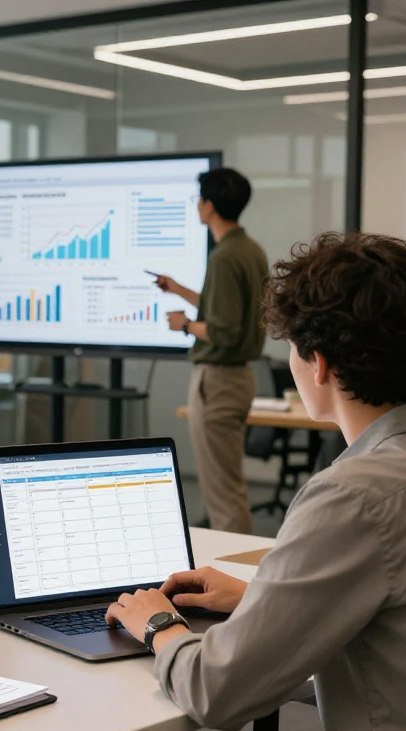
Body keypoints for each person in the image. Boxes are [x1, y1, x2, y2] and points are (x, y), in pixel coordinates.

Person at [105, 233, 406, 731]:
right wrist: (263, 594)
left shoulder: (353, 496)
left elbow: (217, 692)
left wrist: (157, 623)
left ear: (321, 365)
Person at [154, 168, 269, 534]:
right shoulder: (248, 250)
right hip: (238, 379)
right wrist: (179, 290)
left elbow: (222, 330)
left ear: (209, 205)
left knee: (222, 493)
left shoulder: (223, 257)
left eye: (198, 200)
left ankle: (235, 578)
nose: (197, 206)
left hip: (218, 380)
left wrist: (184, 325)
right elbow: (225, 309)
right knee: (228, 486)